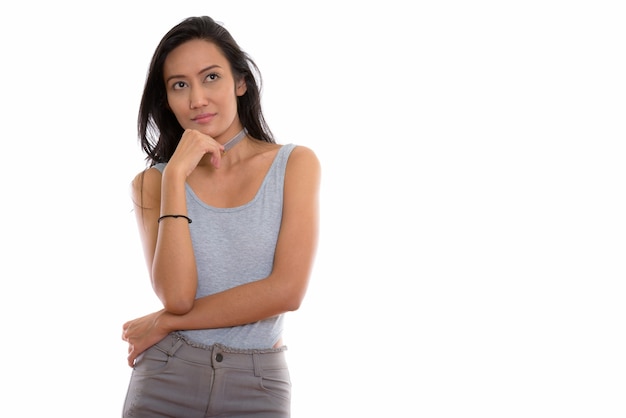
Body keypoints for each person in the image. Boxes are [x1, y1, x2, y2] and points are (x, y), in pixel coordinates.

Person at [121, 16, 320, 417]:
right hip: (165, 376)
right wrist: (175, 174)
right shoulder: (153, 183)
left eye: (210, 77)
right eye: (180, 85)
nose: (197, 99)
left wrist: (164, 322)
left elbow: (287, 292)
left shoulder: (294, 164)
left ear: (240, 82)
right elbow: (177, 297)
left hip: (258, 382)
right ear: (167, 99)